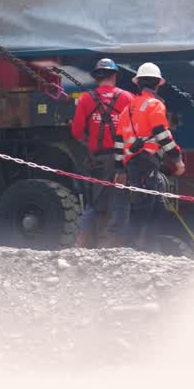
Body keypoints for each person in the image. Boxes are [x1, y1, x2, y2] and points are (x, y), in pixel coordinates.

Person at [119, 62, 185, 250]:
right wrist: (177, 158)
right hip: (147, 161)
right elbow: (162, 134)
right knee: (145, 206)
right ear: (158, 84)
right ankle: (135, 248)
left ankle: (146, 247)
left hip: (133, 161)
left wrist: (119, 167)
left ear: (138, 83)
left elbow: (119, 140)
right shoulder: (155, 104)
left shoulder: (129, 108)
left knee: (154, 206)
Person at [71, 58, 133, 248]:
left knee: (96, 202)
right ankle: (116, 243)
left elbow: (76, 131)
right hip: (122, 159)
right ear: (114, 76)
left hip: (98, 159)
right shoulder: (127, 98)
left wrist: (91, 142)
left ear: (97, 77)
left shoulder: (86, 99)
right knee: (121, 201)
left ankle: (83, 243)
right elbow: (133, 130)